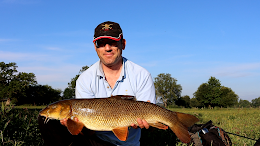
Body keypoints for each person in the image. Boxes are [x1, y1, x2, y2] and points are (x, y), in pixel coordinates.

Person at [60, 21, 156, 146]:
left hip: (128, 144)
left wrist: (145, 123)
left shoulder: (142, 75)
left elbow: (151, 124)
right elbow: (88, 132)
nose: (107, 48)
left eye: (113, 42)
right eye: (101, 43)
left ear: (123, 44)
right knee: (48, 123)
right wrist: (75, 124)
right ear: (95, 47)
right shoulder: (85, 79)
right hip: (95, 141)